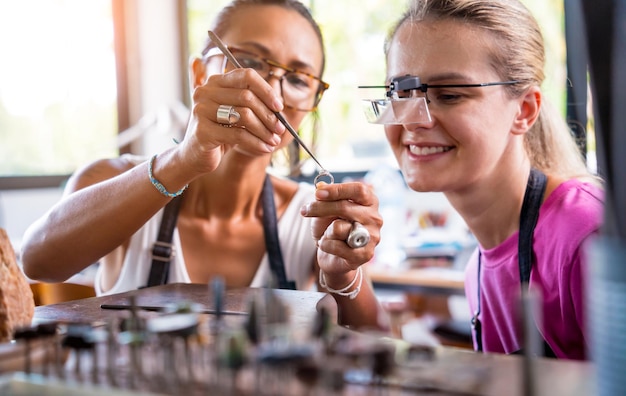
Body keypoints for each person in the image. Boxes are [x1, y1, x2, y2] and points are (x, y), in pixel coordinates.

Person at [20, 0, 384, 330]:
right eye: (251, 63)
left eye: (297, 79)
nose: (272, 91)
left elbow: (376, 340)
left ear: (313, 103)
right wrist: (183, 160)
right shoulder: (113, 180)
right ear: (199, 73)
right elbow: (37, 262)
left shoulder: (310, 217)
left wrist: (341, 277)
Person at [371, 0, 603, 359]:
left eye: (449, 95)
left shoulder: (585, 235)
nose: (414, 120)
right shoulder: (477, 269)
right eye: (400, 94)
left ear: (524, 110)